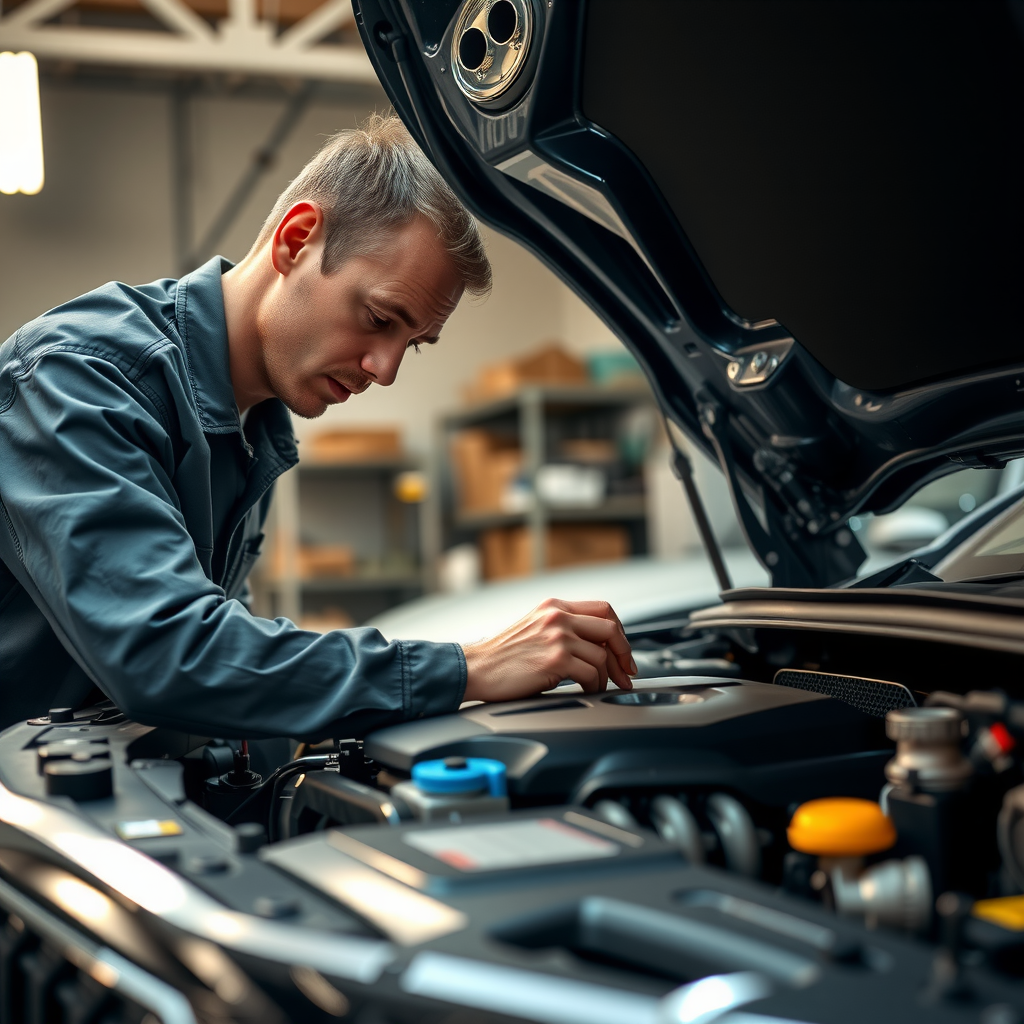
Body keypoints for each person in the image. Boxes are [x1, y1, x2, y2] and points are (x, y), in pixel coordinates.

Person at [0, 115, 635, 738]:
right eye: (381, 317)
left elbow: (219, 639)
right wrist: (468, 668)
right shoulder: (80, 379)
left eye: (413, 344)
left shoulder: (256, 423)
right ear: (296, 239)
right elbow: (168, 655)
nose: (384, 370)